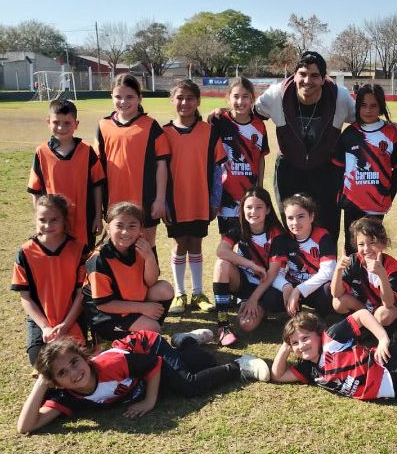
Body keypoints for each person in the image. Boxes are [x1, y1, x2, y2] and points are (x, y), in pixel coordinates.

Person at [16, 330, 270, 434]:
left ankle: (238, 367)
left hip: (148, 348)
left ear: (83, 356)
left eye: (74, 362)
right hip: (140, 374)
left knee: (188, 385)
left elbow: (153, 365)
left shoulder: (108, 366)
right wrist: (41, 383)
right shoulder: (67, 395)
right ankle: (187, 341)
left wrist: (149, 401)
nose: (74, 372)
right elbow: (26, 426)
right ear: (57, 384)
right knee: (202, 360)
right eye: (62, 374)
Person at [252, 51, 356, 247]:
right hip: (289, 169)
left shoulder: (339, 96)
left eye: (315, 76)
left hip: (326, 169)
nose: (307, 81)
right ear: (294, 74)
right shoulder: (277, 94)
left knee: (327, 229)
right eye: (303, 74)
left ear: (324, 79)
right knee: (294, 226)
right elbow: (248, 114)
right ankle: (296, 272)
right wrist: (222, 114)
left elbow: (365, 119)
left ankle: (326, 274)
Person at [162, 80, 225, 315]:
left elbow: (218, 170)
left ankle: (198, 292)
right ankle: (180, 293)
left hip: (200, 200)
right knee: (179, 244)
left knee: (196, 244)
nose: (184, 102)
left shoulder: (209, 132)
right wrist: (164, 202)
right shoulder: (164, 133)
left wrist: (215, 201)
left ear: (198, 101)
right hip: (175, 201)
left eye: (190, 98)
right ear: (172, 100)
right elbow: (159, 171)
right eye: (179, 97)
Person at [94, 74, 170, 246]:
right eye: (118, 97)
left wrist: (160, 199)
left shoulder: (151, 126)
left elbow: (162, 165)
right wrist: (98, 209)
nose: (123, 102)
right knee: (117, 246)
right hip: (113, 201)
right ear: (111, 96)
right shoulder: (103, 125)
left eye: (129, 97)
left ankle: (149, 274)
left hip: (146, 201)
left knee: (146, 246)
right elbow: (97, 171)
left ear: (139, 98)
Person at [11, 195, 87, 365]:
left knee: (73, 361)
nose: (47, 225)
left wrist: (66, 325)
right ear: (35, 219)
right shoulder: (25, 252)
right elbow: (26, 298)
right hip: (41, 321)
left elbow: (81, 294)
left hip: (71, 318)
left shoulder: (78, 249)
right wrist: (45, 326)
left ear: (64, 220)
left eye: (54, 220)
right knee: (42, 363)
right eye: (42, 220)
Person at [83, 202, 174, 341]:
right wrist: (142, 308)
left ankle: (141, 331)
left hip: (128, 302)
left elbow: (151, 281)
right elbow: (103, 304)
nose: (125, 232)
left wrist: (149, 257)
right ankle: (111, 336)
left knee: (164, 289)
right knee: (153, 327)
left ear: (140, 229)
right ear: (108, 228)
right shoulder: (99, 259)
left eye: (132, 226)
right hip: (105, 314)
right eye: (119, 226)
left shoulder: (140, 246)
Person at [331, 84, 397, 254]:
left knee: (373, 247)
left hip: (377, 203)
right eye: (363, 105)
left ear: (381, 107)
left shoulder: (392, 134)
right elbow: (338, 169)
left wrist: (388, 195)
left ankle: (372, 280)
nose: (368, 110)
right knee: (352, 247)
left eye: (373, 106)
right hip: (353, 203)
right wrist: (341, 195)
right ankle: (352, 280)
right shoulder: (349, 134)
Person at [212, 187, 285, 346]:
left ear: (267, 210)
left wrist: (253, 300)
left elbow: (272, 274)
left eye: (259, 207)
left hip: (266, 286)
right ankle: (223, 325)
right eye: (249, 207)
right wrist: (250, 264)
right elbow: (221, 251)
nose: (253, 211)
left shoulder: (276, 234)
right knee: (221, 265)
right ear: (242, 209)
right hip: (244, 282)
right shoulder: (240, 227)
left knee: (246, 325)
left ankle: (261, 308)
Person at [27, 99, 104, 249]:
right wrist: (40, 220)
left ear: (76, 124)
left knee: (82, 262)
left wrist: (97, 217)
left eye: (67, 123)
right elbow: (35, 191)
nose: (61, 127)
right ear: (48, 122)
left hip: (83, 221)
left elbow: (97, 186)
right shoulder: (41, 152)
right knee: (59, 259)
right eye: (56, 122)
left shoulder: (87, 151)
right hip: (53, 222)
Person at [211, 77, 270, 235]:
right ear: (228, 97)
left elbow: (261, 158)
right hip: (226, 196)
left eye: (245, 96)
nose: (240, 101)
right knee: (227, 242)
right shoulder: (219, 122)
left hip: (250, 196)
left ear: (252, 99)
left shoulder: (259, 125)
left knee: (249, 242)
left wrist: (260, 186)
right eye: (236, 96)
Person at [263, 193, 337, 317]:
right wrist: (286, 287)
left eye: (301, 216)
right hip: (292, 285)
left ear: (311, 217)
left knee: (328, 291)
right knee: (269, 298)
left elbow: (328, 272)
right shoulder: (281, 239)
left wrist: (299, 290)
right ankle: (294, 307)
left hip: (315, 287)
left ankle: (318, 316)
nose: (295, 222)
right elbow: (275, 273)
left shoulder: (323, 236)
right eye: (290, 218)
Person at [330, 217, 397, 332]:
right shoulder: (354, 261)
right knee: (337, 302)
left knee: (383, 314)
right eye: (361, 244)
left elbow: (389, 303)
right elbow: (336, 294)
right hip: (365, 307)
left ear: (383, 243)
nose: (366, 249)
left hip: (387, 309)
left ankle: (377, 331)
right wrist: (338, 270)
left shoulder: (392, 267)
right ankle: (367, 324)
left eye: (372, 243)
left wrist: (382, 274)